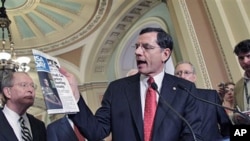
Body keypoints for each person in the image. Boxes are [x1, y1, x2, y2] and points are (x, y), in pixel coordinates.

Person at [61, 27, 203, 141]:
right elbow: (96, 131)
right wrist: (75, 97)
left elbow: (193, 135)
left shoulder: (184, 89)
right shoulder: (117, 89)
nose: (138, 52)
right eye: (137, 47)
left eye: (146, 47)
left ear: (165, 54)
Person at [174, 61, 232, 141]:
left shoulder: (210, 96)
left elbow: (226, 126)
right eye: (178, 73)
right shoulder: (170, 101)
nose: (182, 76)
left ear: (194, 77)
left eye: (186, 72)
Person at [0, 70, 46, 141]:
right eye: (23, 85)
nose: (30, 90)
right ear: (8, 92)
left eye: (32, 86)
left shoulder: (39, 126)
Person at [233, 39, 250, 118]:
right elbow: (236, 110)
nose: (245, 61)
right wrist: (237, 118)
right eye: (241, 58)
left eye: (248, 56)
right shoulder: (237, 86)